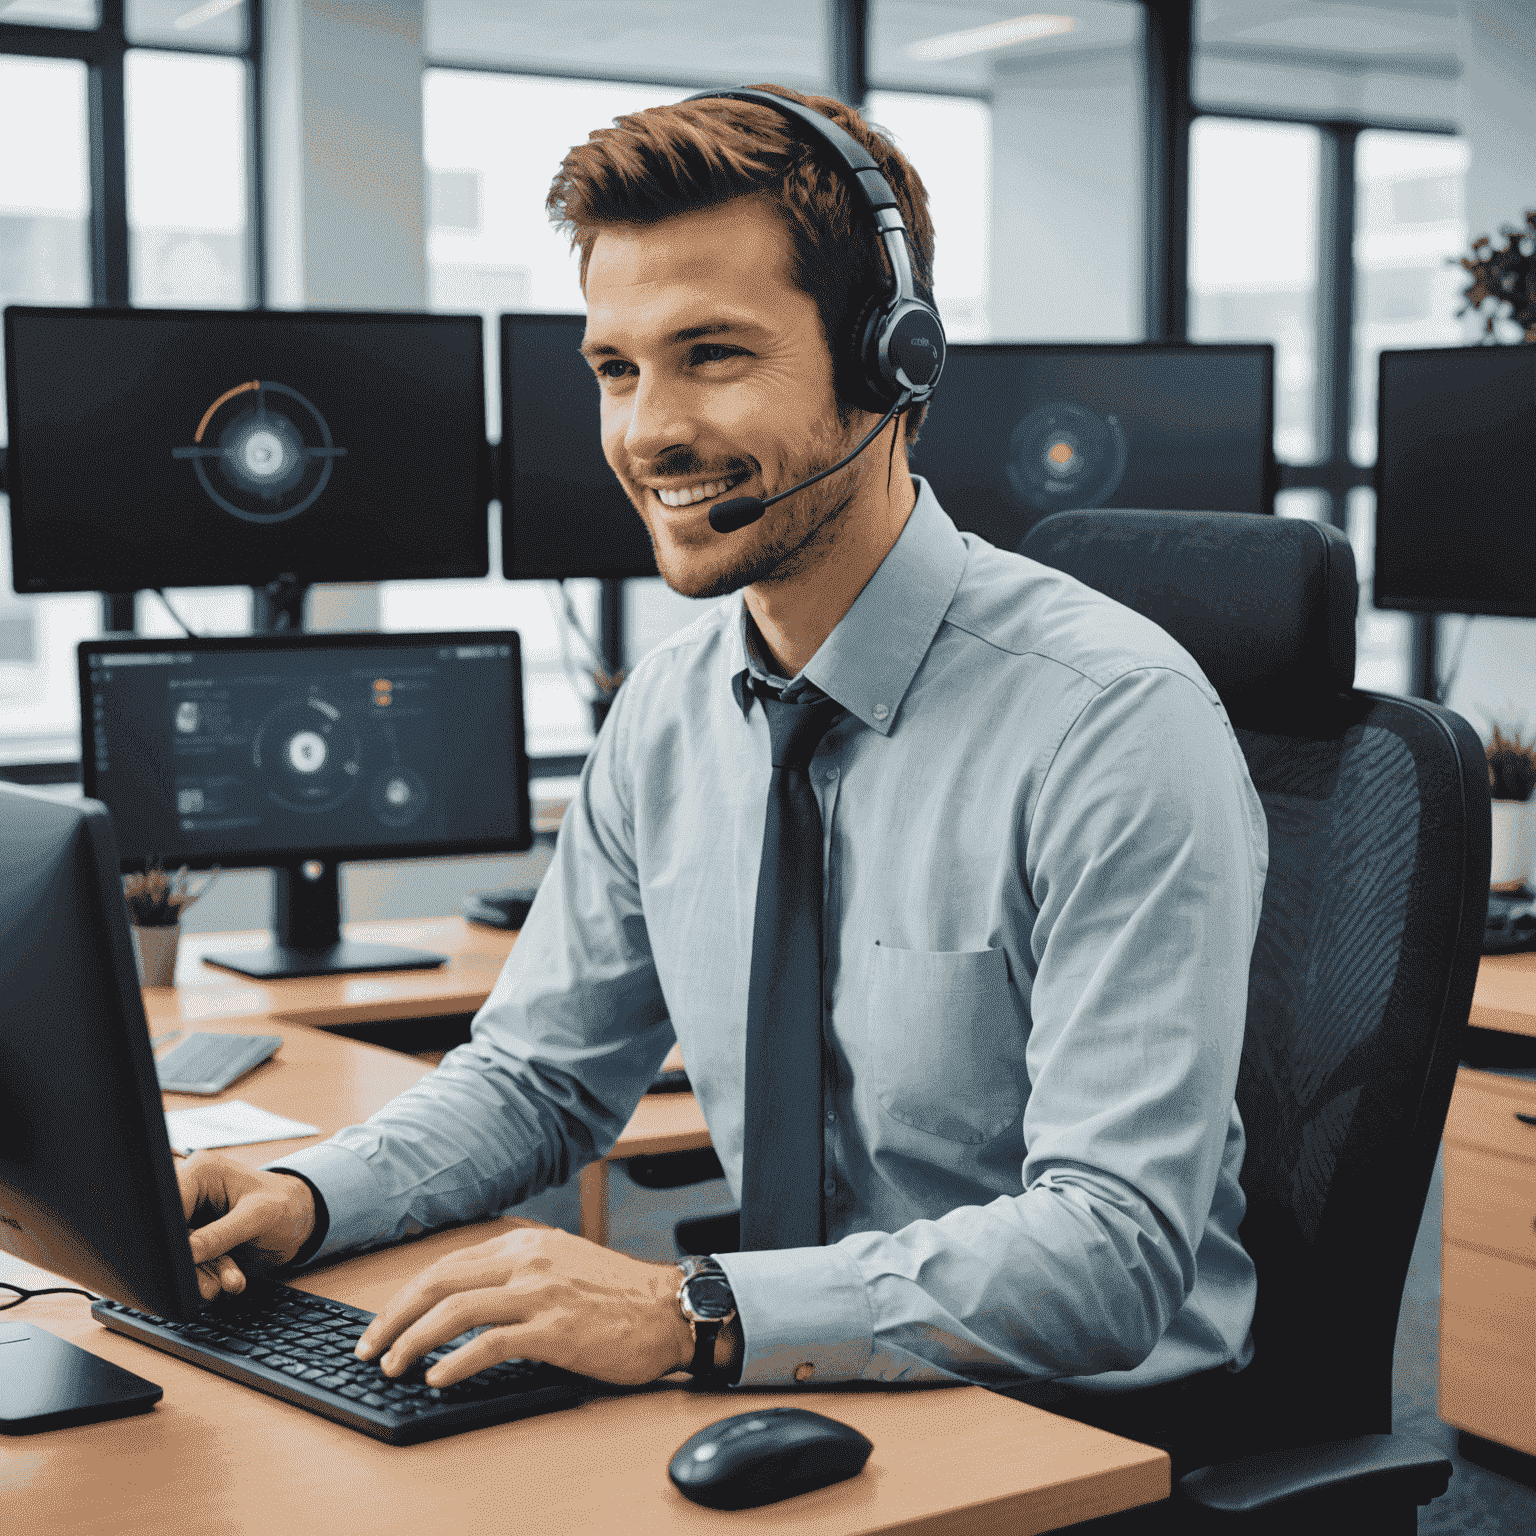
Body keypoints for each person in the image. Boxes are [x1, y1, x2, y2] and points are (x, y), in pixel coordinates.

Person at [178, 84, 1267, 1460]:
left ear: (892, 362)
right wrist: (305, 1198)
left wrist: (684, 1309)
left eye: (713, 355)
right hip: (773, 1371)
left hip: (1073, 1430)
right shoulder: (673, 709)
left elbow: (1111, 1251)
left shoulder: (1110, 724)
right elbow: (536, 1079)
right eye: (616, 369)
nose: (647, 432)